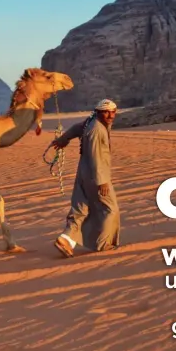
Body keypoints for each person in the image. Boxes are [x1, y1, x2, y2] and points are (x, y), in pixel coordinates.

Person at [49, 99, 120, 257]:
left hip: (84, 172)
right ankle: (103, 244)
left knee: (81, 207)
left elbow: (76, 128)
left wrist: (64, 139)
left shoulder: (90, 122)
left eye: (113, 112)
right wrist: (101, 181)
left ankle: (66, 239)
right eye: (106, 112)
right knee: (110, 210)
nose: (110, 115)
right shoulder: (97, 129)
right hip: (96, 174)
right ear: (98, 112)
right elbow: (96, 156)